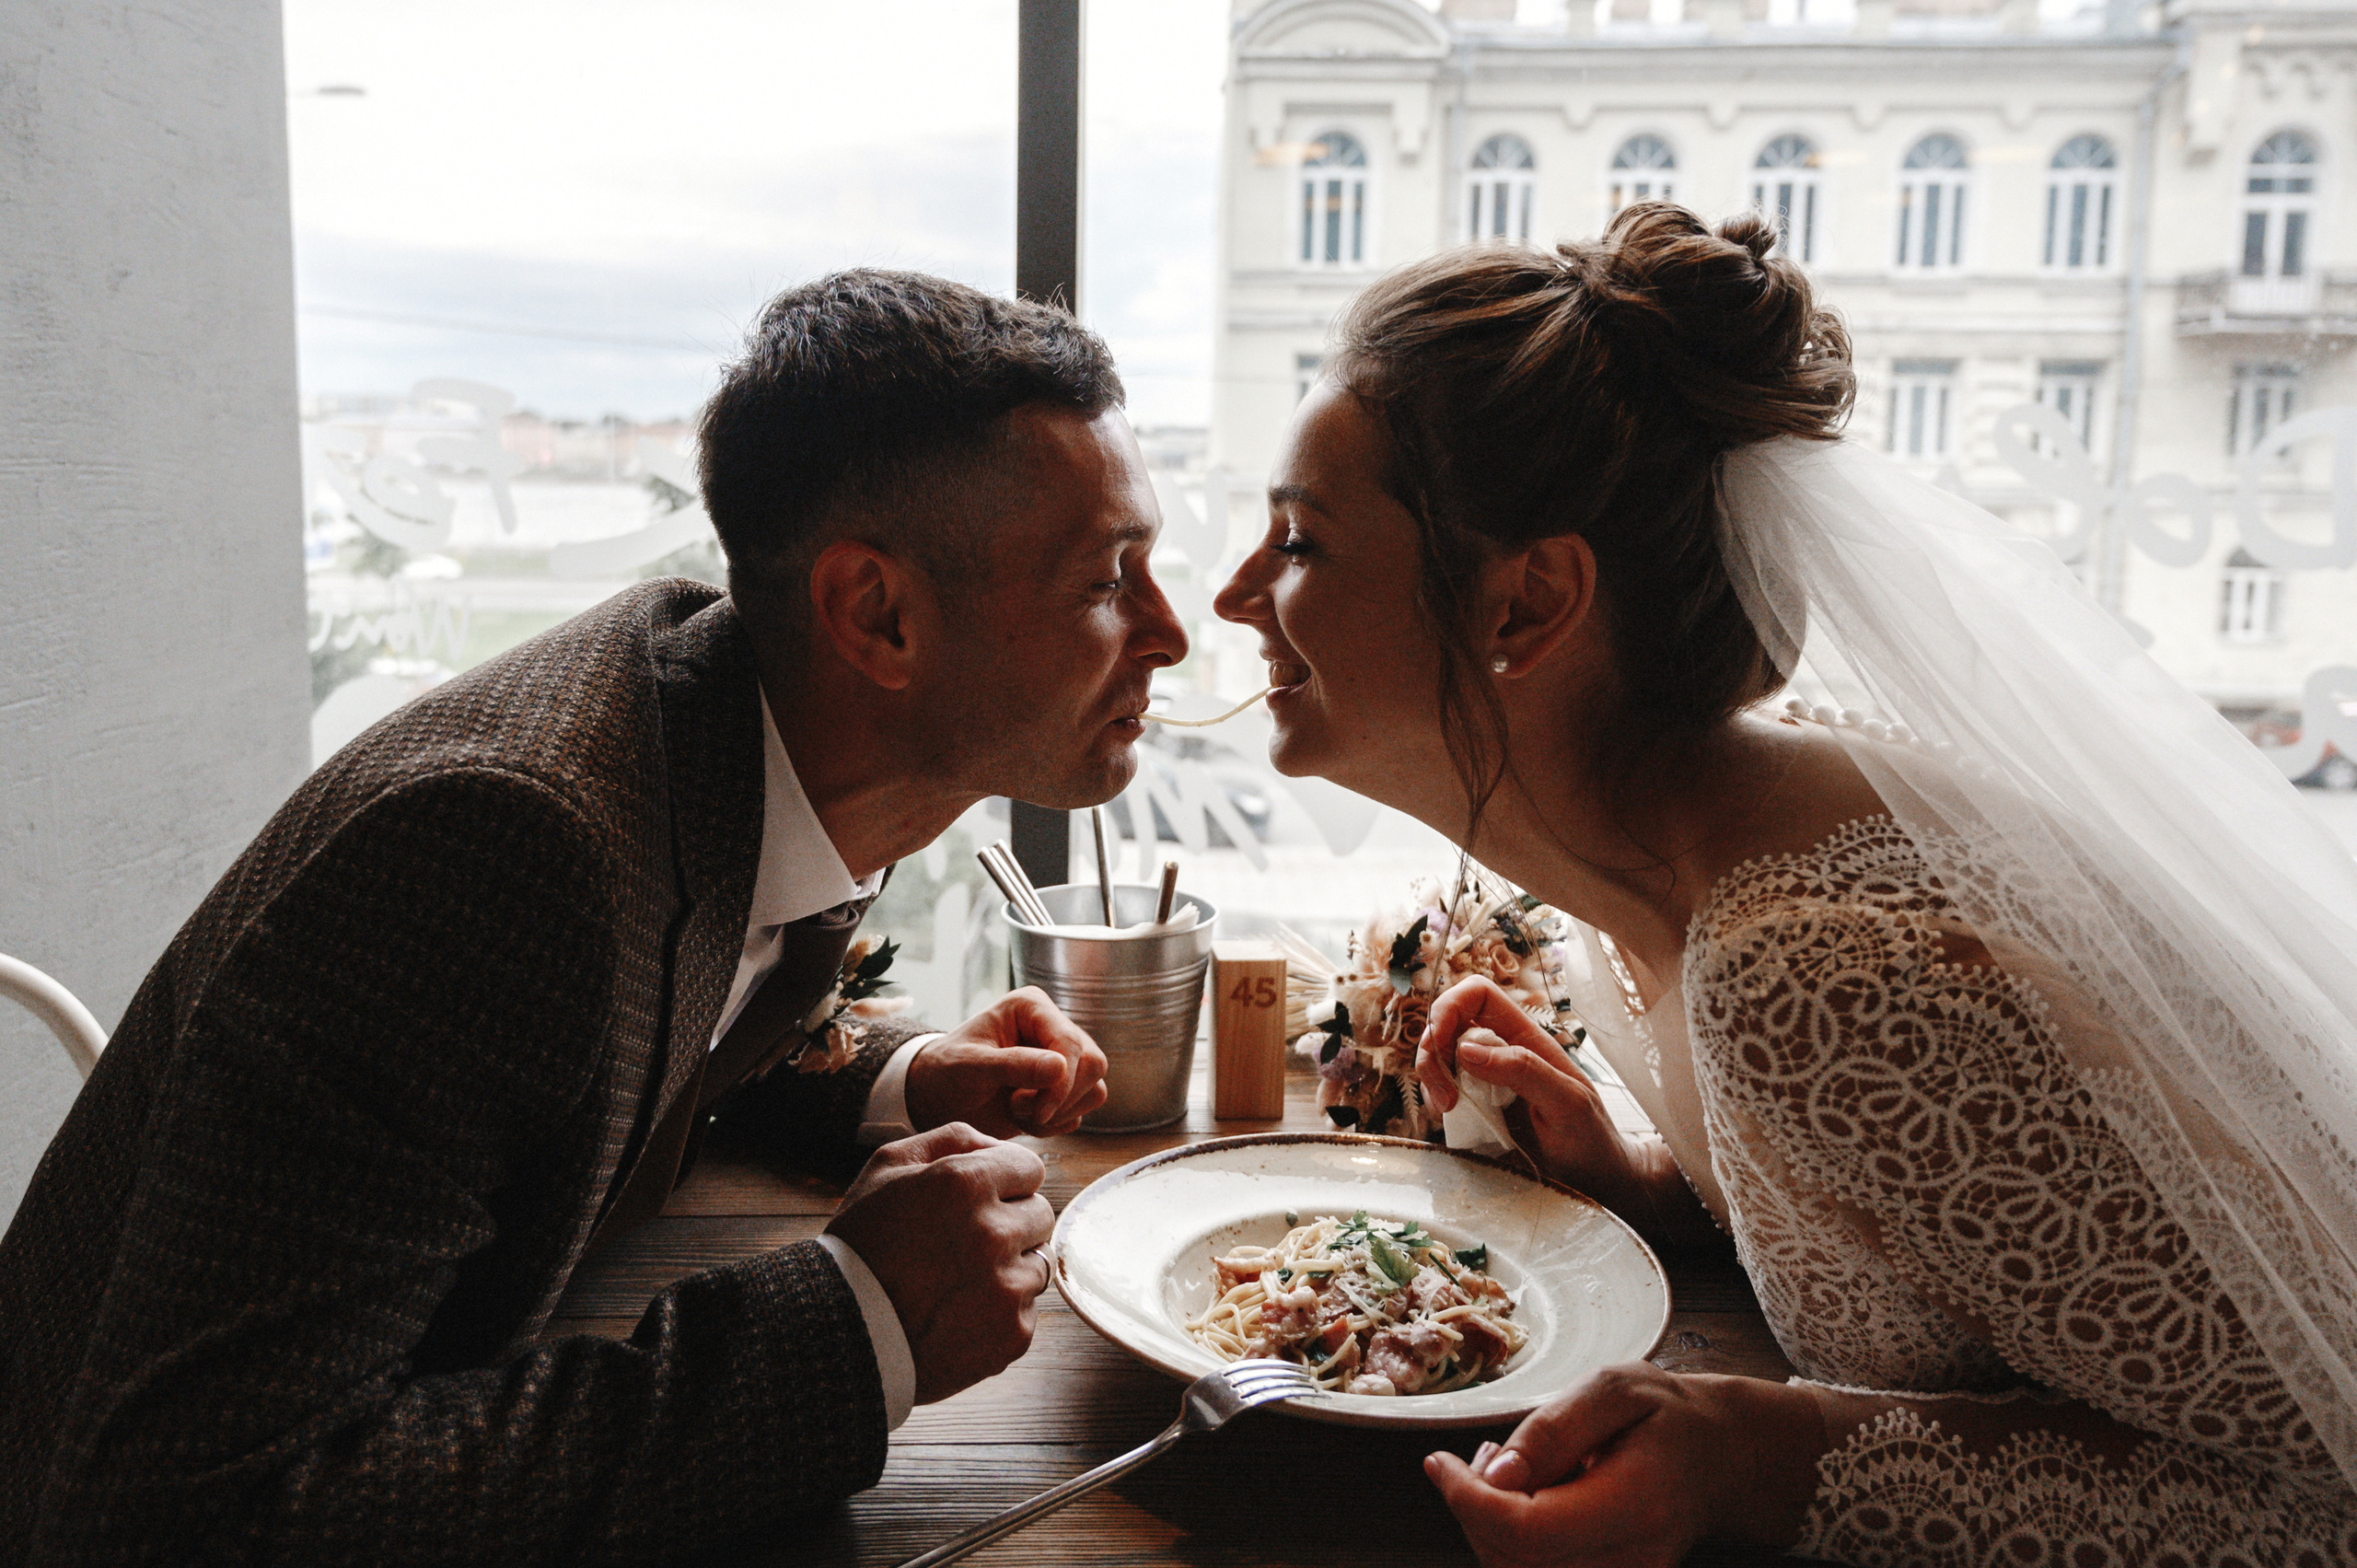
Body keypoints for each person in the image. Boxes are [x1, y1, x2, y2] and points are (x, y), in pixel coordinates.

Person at [1213, 204, 2357, 1566]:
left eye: (1300, 542)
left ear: (1523, 606)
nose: (1233, 597)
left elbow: (2319, 1504)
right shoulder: (1666, 857)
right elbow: (1974, 1233)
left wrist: (1756, 1467)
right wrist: (1653, 1188)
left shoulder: (1810, 969)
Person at [0, 270, 1188, 1563]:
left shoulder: (759, 724)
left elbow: (665, 982)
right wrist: (857, 1323)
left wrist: (887, 1077)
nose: (1170, 633)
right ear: (878, 614)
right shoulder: (502, 852)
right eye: (1108, 578)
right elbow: (189, 1515)